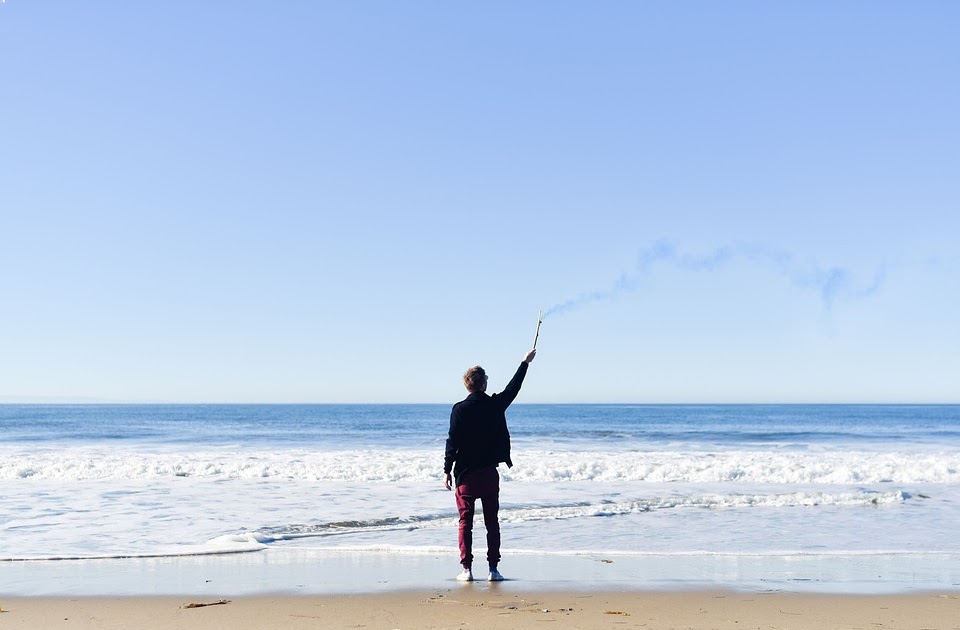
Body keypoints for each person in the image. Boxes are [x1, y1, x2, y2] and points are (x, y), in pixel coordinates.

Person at [443, 348, 536, 582]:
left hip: (465, 475)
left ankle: (467, 570)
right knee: (491, 522)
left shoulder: (459, 409)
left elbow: (452, 442)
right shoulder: (494, 406)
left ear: (467, 386)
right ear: (483, 384)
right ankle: (493, 570)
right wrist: (524, 363)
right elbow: (513, 389)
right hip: (487, 474)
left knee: (465, 522)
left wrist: (446, 470)